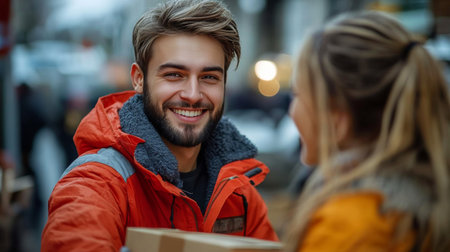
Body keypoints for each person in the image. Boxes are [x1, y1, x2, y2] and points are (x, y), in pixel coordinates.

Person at [41, 0, 278, 251]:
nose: (193, 94)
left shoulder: (238, 191)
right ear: (139, 80)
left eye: (209, 77)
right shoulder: (96, 184)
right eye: (174, 75)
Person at [285, 11, 450, 252]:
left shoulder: (350, 227)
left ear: (336, 119)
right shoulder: (424, 197)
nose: (291, 110)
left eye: (297, 94)